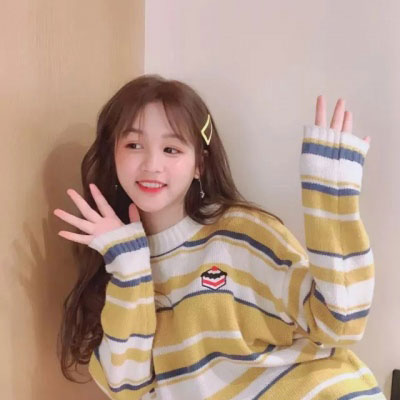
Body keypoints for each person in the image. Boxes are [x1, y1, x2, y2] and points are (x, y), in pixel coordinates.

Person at [54, 74, 385, 399]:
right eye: (134, 145)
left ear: (199, 164)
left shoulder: (243, 233)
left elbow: (339, 324)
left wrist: (331, 199)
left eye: (171, 149)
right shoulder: (115, 259)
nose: (152, 164)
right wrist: (129, 267)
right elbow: (127, 390)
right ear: (113, 155)